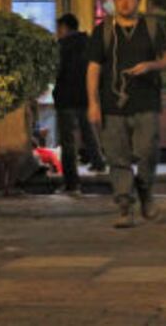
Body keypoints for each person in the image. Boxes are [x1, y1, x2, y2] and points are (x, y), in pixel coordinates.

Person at [87, 0, 166, 228]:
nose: (124, 2)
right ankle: (125, 205)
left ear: (138, 0)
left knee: (148, 150)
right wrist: (93, 103)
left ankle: (145, 190)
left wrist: (151, 65)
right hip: (112, 104)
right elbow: (94, 68)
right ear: (114, 1)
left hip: (146, 101)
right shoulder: (103, 31)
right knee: (117, 156)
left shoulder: (150, 27)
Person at [53, 13, 105, 195]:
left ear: (65, 28)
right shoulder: (89, 43)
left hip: (66, 97)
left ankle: (72, 183)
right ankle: (98, 163)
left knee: (68, 140)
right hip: (85, 95)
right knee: (88, 130)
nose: (57, 32)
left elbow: (57, 71)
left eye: (58, 28)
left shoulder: (61, 47)